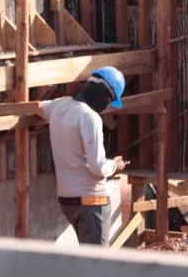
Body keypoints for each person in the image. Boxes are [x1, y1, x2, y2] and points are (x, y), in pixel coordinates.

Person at [38, 66, 128, 246]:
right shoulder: (89, 117)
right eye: (109, 100)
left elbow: (39, 107)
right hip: (91, 202)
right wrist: (114, 165)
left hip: (68, 201)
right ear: (103, 95)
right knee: (96, 261)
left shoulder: (59, 105)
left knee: (87, 259)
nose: (107, 106)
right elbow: (98, 167)